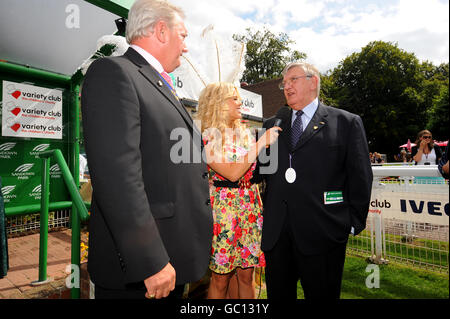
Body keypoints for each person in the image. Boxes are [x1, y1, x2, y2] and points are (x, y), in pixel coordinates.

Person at [81, 0, 213, 299]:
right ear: (162, 31)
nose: (187, 46)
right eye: (184, 35)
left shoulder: (157, 82)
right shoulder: (114, 73)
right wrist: (150, 260)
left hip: (171, 257)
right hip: (144, 270)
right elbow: (118, 176)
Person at [258, 61, 373, 299]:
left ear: (313, 82)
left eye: (293, 80)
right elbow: (259, 173)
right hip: (278, 236)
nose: (286, 87)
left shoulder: (346, 122)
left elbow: (360, 176)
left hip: (324, 233)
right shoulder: (272, 124)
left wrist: (351, 222)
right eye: (284, 83)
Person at [197, 82, 280, 299]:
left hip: (250, 208)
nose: (240, 103)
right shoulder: (206, 137)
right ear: (218, 104)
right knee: (220, 278)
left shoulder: (245, 135)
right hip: (224, 212)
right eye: (234, 98)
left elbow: (258, 171)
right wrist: (261, 142)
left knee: (247, 276)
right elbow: (232, 173)